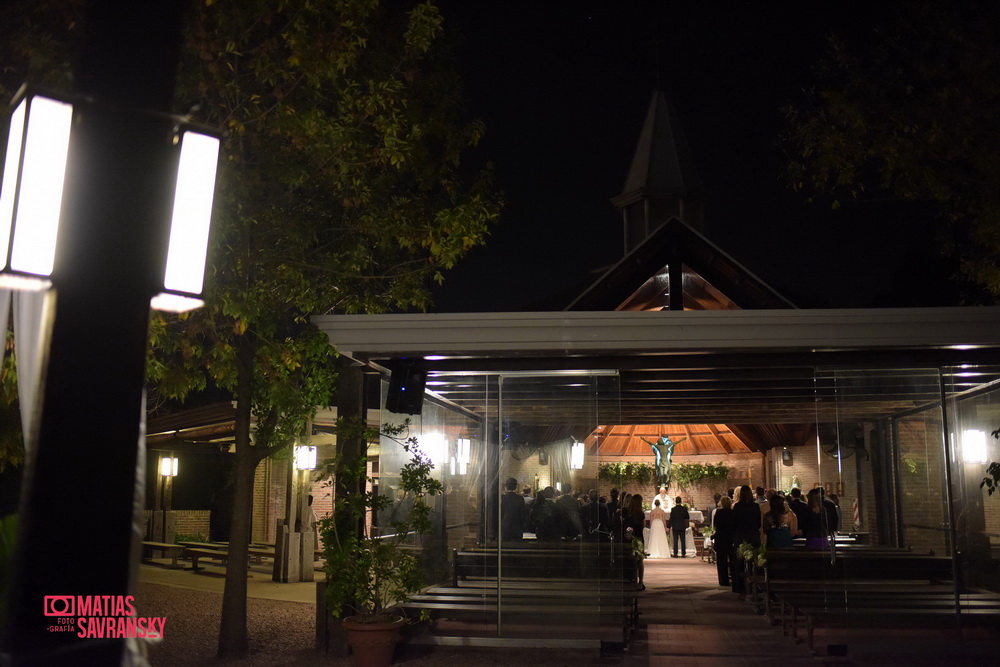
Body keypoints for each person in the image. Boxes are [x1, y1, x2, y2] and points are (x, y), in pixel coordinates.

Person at [731, 485, 761, 597]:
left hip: (741, 536)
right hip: (753, 536)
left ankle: (739, 587)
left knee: (739, 562)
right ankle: (755, 586)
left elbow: (734, 522)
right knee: (755, 562)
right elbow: (758, 522)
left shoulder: (738, 506)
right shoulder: (755, 506)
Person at [622, 494, 647, 590]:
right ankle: (640, 582)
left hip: (630, 539)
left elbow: (626, 527)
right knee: (640, 561)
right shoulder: (641, 514)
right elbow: (643, 525)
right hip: (639, 539)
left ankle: (632, 580)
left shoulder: (628, 513)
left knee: (631, 560)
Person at [712, 495, 735, 586]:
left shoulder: (719, 512)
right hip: (730, 537)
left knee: (721, 561)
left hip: (721, 538)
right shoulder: (733, 512)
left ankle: (723, 580)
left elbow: (715, 525)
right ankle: (734, 578)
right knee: (732, 560)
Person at [500, 477, 527, 542]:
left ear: (506, 486)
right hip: (517, 527)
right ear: (516, 487)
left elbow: (500, 512)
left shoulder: (502, 498)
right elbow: (523, 514)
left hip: (505, 527)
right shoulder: (520, 498)